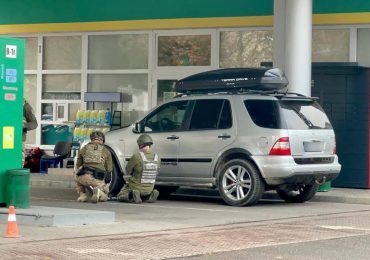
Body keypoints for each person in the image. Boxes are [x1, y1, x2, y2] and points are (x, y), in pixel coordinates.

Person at [117, 134, 160, 203]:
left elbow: (127, 170)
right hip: (149, 188)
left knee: (120, 195)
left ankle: (133, 195)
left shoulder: (136, 156)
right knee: (145, 194)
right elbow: (157, 172)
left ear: (140, 144)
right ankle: (150, 194)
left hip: (136, 186)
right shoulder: (157, 157)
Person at [75, 131, 112, 203]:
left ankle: (82, 196)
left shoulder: (84, 149)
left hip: (82, 177)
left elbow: (78, 164)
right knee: (104, 198)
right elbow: (109, 168)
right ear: (102, 140)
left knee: (77, 175)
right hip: (97, 178)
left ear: (91, 139)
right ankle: (98, 192)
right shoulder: (106, 151)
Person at [23, 99, 38, 167]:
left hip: (17, 140)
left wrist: (23, 126)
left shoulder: (22, 103)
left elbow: (34, 124)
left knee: (16, 166)